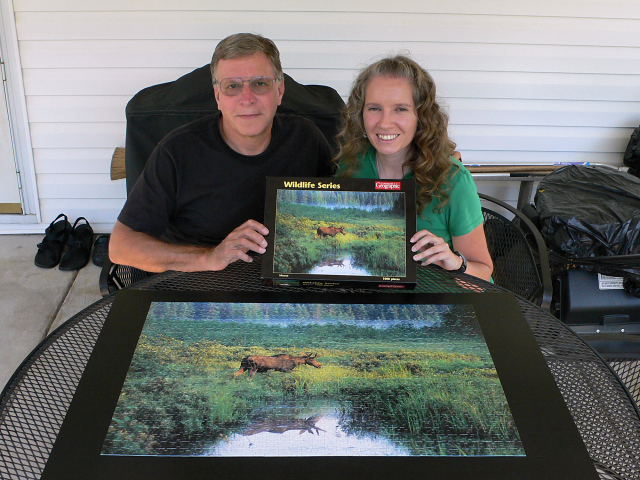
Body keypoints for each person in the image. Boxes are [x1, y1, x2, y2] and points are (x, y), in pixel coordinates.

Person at [109, 33, 333, 272]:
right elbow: (121, 246)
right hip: (199, 285)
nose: (247, 99)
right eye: (233, 86)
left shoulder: (306, 138)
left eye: (260, 83)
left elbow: (336, 205)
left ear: (279, 91)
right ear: (218, 96)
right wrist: (208, 258)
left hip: (285, 277)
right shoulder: (177, 152)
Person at [334, 55, 493, 281]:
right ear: (361, 113)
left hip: (439, 307)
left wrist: (454, 262)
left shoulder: (453, 180)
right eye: (374, 108)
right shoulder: (351, 165)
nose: (385, 122)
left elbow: (484, 276)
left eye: (400, 109)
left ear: (421, 115)